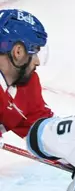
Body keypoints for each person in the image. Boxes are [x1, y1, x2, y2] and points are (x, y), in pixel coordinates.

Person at [0, 9, 52, 138]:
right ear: (18, 51)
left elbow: (45, 133)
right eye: (35, 52)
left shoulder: (26, 82)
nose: (38, 61)